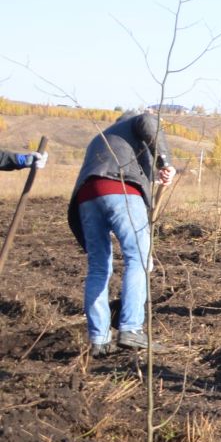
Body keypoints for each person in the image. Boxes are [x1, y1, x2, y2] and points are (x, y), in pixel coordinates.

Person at [66, 111, 176, 356]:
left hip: (87, 198)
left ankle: (99, 340)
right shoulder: (135, 123)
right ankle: (132, 328)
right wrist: (165, 162)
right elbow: (148, 120)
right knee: (137, 258)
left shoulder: (104, 138)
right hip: (120, 189)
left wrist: (155, 177)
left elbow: (130, 173)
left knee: (98, 267)